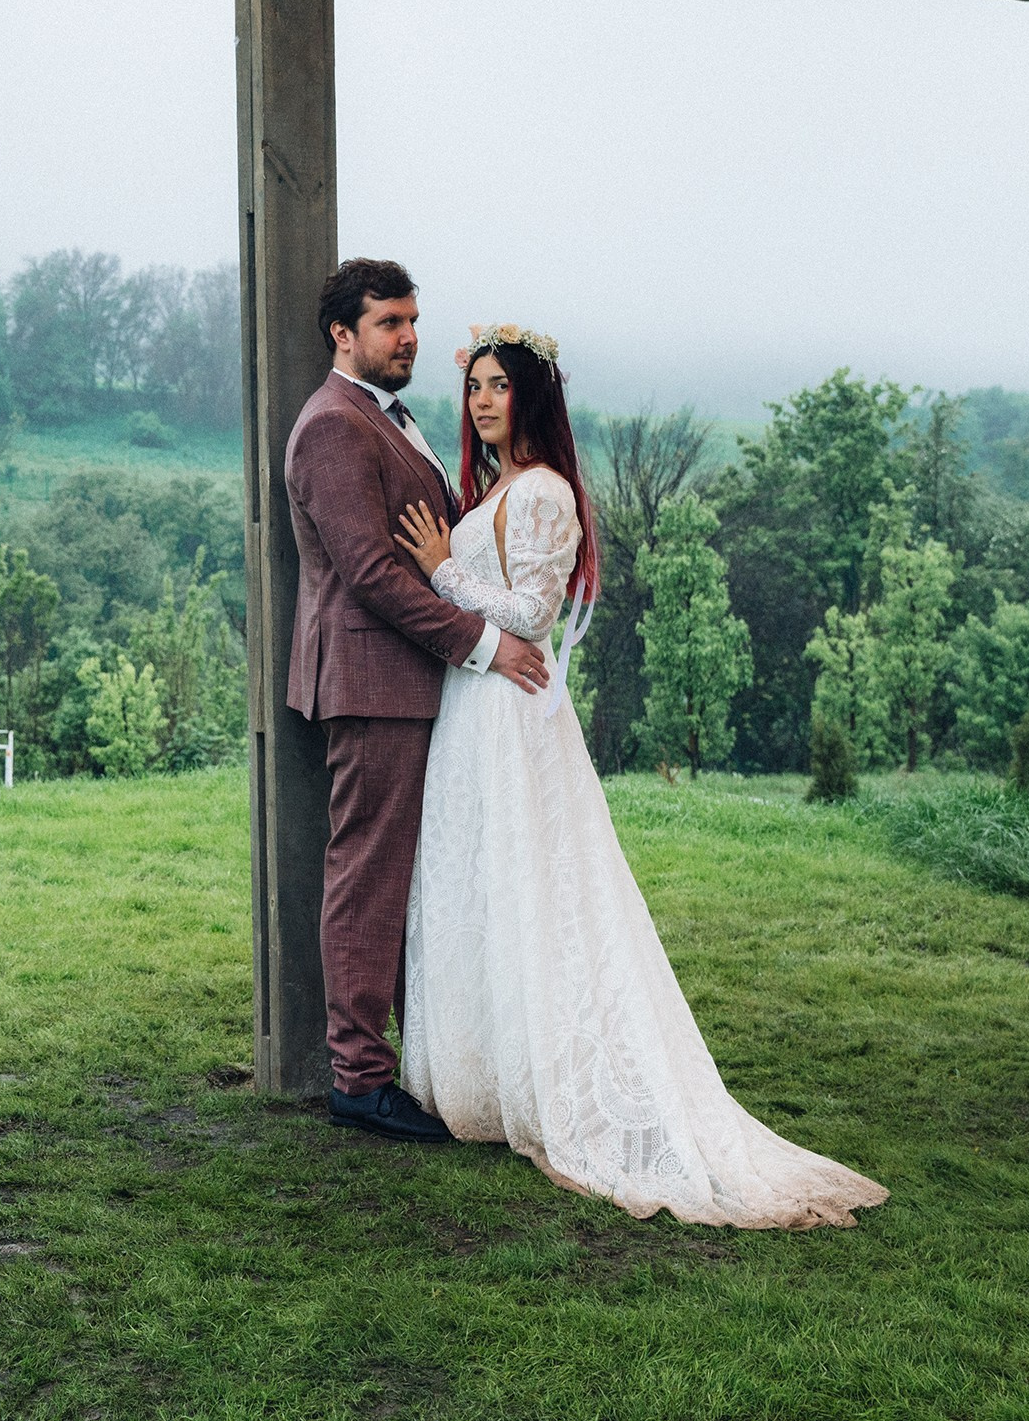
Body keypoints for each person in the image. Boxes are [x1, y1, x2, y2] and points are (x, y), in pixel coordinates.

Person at [389, 324, 888, 1228]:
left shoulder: (541, 492)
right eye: (475, 387)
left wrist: (442, 573)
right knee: (483, 884)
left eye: (500, 385)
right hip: (477, 706)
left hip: (509, 710)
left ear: (533, 396)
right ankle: (488, 1070)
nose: (483, 401)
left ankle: (558, 1082)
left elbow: (534, 613)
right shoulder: (499, 488)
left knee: (536, 886)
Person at [280, 259, 550, 1144]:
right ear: (342, 333)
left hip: (409, 682)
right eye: (391, 322)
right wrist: (481, 645)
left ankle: (423, 1057)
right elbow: (367, 573)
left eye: (412, 320)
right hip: (371, 681)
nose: (409, 337)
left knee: (405, 879)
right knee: (367, 878)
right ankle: (359, 1079)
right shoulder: (332, 425)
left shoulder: (388, 419)